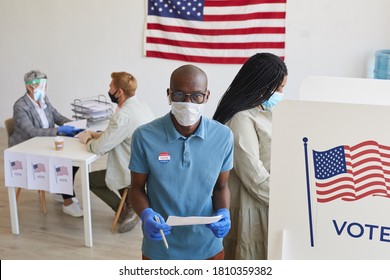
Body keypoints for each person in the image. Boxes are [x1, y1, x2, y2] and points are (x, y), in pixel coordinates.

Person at [128, 64, 234, 260]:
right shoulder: (145, 136)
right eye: (179, 95)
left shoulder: (223, 136)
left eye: (196, 96)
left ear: (207, 96)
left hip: (207, 246)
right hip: (161, 246)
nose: (188, 103)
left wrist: (224, 212)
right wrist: (146, 214)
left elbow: (221, 186)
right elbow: (136, 188)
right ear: (169, 94)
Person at [213, 53, 288, 260]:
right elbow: (253, 176)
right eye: (279, 88)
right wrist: (287, 201)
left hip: (265, 203)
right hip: (251, 207)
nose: (282, 93)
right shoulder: (241, 118)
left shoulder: (263, 112)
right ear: (263, 85)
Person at [78, 72, 155, 233]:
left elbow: (99, 148)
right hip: (147, 167)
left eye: (110, 86)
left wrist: (87, 140)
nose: (108, 89)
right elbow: (120, 135)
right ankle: (130, 204)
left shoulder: (122, 116)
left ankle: (124, 209)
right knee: (112, 176)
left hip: (130, 170)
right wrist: (97, 134)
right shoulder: (142, 107)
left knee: (89, 179)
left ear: (119, 92)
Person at [10, 70, 84, 217]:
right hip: (28, 146)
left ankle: (60, 190)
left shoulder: (43, 99)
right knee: (63, 162)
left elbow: (56, 116)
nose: (45, 89)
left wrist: (75, 125)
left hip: (45, 142)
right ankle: (67, 201)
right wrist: (59, 131)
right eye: (42, 86)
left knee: (74, 160)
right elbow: (32, 132)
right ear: (30, 87)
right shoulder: (20, 106)